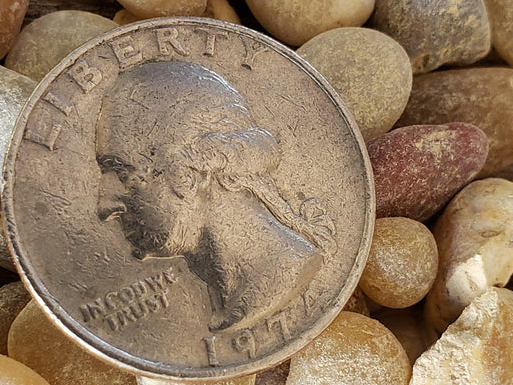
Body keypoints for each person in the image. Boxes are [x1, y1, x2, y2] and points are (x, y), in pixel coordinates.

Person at [95, 59, 334, 333]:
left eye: (124, 173)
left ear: (190, 173)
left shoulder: (283, 273)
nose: (104, 207)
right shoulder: (226, 297)